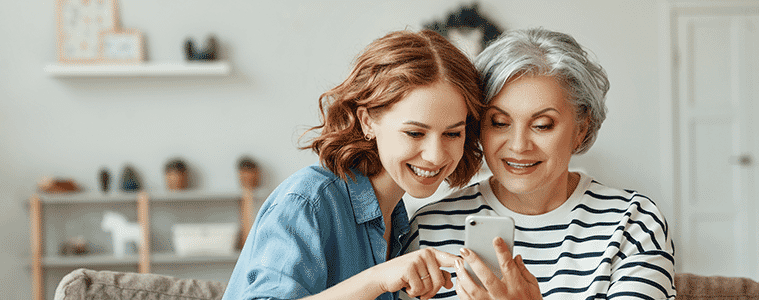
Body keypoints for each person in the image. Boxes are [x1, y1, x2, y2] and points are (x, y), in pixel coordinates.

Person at [403, 27, 676, 299]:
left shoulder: (633, 222)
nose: (519, 145)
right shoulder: (429, 228)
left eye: (542, 125)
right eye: (499, 123)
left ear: (582, 128)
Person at [222, 29, 484, 300]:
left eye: (453, 134)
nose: (435, 156)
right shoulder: (309, 201)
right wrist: (378, 279)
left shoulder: (397, 220)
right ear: (368, 121)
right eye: (415, 133)